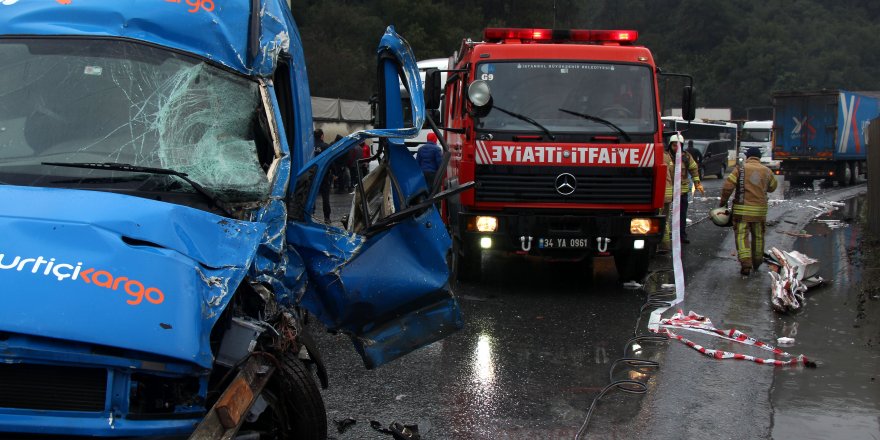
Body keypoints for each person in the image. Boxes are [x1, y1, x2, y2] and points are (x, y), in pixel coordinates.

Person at [719, 147, 778, 276]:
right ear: (759, 157)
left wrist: (722, 203)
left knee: (741, 236)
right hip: (760, 212)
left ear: (748, 156)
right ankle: (757, 262)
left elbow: (728, 187)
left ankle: (746, 264)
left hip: (742, 212)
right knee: (758, 236)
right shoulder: (767, 171)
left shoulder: (740, 169)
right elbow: (773, 187)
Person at [661, 134, 704, 250]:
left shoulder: (686, 157)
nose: (676, 148)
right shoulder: (664, 156)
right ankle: (665, 239)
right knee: (664, 215)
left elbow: (694, 169)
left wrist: (697, 183)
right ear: (670, 145)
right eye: (674, 145)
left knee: (681, 215)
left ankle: (681, 235)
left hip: (681, 191)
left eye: (679, 145)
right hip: (668, 192)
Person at [313, 129, 331, 223]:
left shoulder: (309, 146)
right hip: (324, 174)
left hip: (312, 174)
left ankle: (311, 213)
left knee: (311, 195)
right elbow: (330, 160)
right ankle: (327, 217)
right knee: (325, 197)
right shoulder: (325, 146)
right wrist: (334, 172)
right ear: (322, 136)